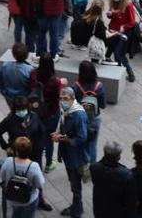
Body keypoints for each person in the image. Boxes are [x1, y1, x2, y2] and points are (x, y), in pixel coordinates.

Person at [53, 87, 89, 218]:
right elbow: (63, 125)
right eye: (61, 98)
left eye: (66, 99)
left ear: (73, 99)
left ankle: (77, 212)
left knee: (75, 186)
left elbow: (81, 138)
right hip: (69, 155)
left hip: (76, 157)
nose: (62, 101)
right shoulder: (66, 110)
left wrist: (61, 138)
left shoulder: (78, 115)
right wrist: (58, 133)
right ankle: (76, 206)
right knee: (74, 185)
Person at [0, 136, 45, 218]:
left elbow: (2, 177)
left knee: (16, 214)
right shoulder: (34, 166)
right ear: (30, 150)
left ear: (16, 151)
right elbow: (40, 184)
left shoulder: (8, 161)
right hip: (29, 199)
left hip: (13, 197)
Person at [90, 141, 137, 217]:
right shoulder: (126, 175)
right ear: (118, 157)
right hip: (117, 212)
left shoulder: (94, 167)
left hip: (99, 208)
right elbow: (130, 200)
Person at [0, 43, 33, 108]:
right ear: (27, 55)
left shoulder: (5, 65)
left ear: (14, 55)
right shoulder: (29, 70)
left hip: (9, 96)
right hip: (24, 98)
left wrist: (3, 90)